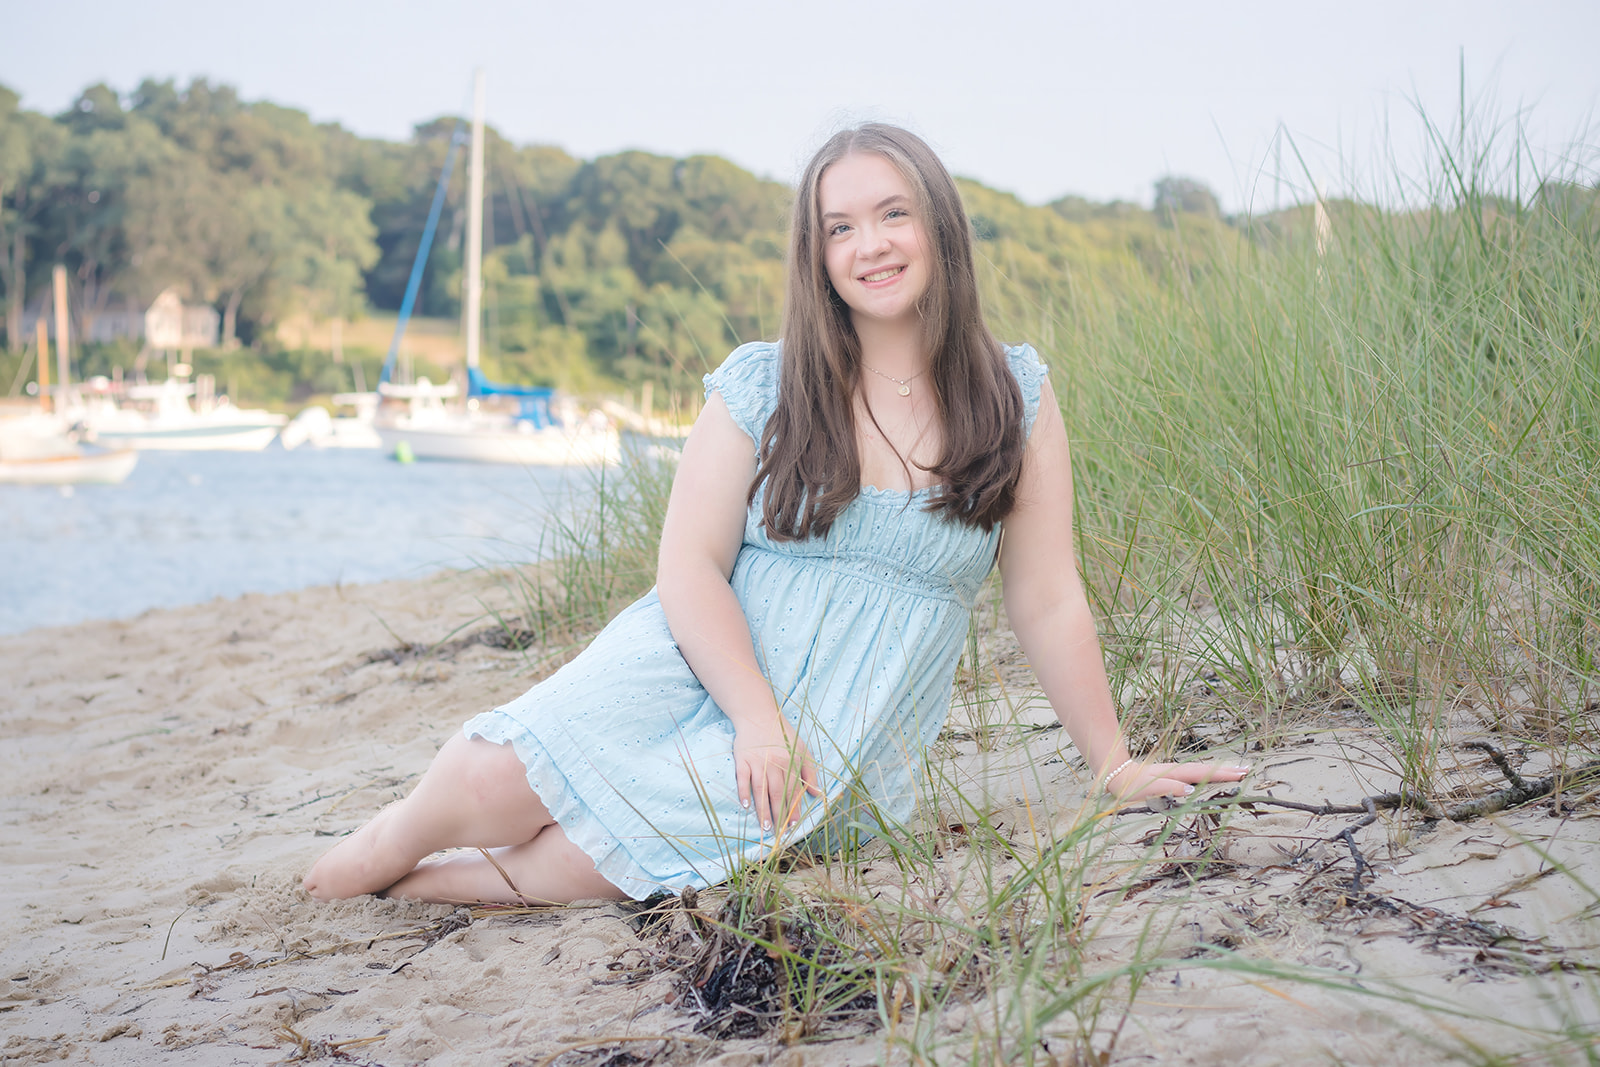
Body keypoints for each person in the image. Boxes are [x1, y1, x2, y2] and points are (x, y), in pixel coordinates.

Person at [303, 124, 1248, 906]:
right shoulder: (764, 382)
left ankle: (418, 890)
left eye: (892, 215)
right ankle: (368, 858)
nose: (868, 245)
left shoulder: (1015, 396)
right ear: (817, 254)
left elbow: (1047, 597)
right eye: (840, 228)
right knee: (491, 777)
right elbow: (688, 567)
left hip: (842, 722)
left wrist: (1115, 764)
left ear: (940, 229)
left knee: (589, 865)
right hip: (698, 662)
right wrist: (755, 715)